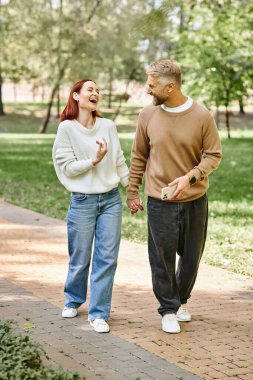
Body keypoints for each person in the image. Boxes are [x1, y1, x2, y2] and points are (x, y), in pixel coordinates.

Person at [126, 60, 222, 334]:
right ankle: (168, 309)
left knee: (191, 257)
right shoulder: (147, 115)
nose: (148, 89)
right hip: (159, 200)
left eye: (152, 85)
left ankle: (181, 300)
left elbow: (214, 155)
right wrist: (133, 190)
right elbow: (139, 155)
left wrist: (190, 177)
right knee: (162, 257)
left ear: (170, 87)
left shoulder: (202, 116)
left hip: (194, 200)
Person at [52, 79, 129, 333]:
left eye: (98, 90)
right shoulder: (67, 128)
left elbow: (119, 160)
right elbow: (67, 167)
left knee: (107, 258)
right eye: (90, 90)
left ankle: (99, 314)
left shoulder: (108, 125)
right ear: (76, 96)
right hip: (82, 201)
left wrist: (132, 189)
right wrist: (93, 161)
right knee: (80, 257)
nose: (96, 93)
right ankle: (73, 298)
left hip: (111, 200)